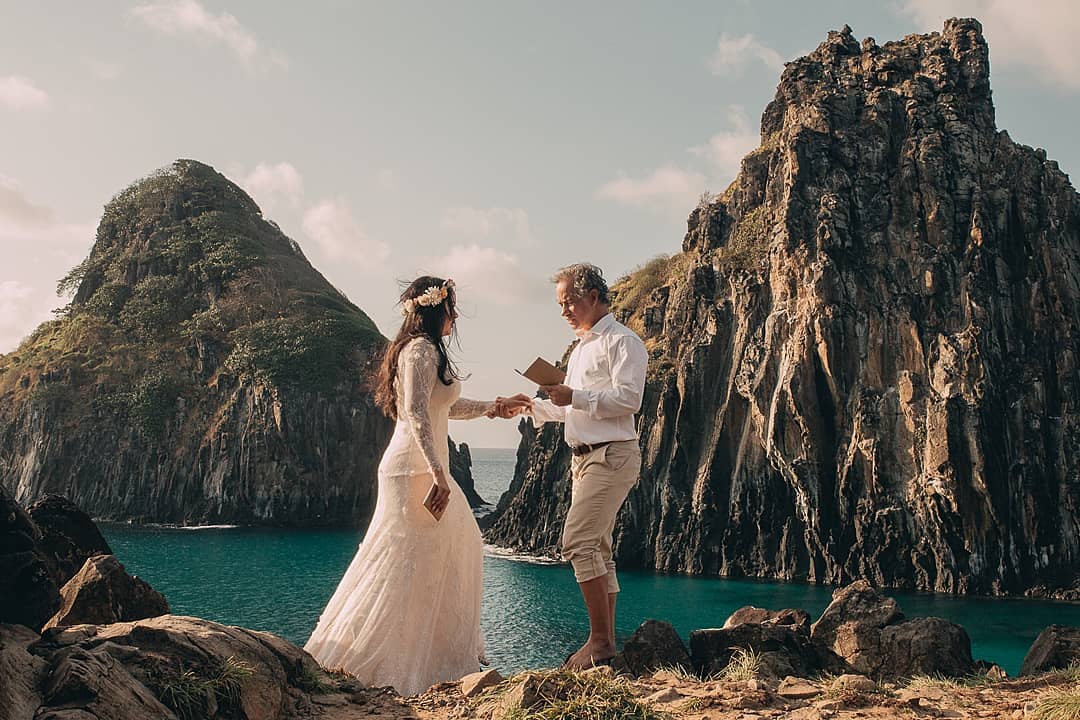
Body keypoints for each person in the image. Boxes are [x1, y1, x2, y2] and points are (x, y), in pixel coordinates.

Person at [304, 276, 527, 695]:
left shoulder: (424, 352)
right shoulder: (419, 351)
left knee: (440, 554)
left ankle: (431, 661)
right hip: (414, 471)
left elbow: (444, 406)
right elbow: (415, 412)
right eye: (452, 308)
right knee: (411, 561)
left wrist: (493, 408)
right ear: (435, 309)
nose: (455, 317)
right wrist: (439, 472)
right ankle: (400, 666)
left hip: (422, 467)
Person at [507, 262, 648, 670]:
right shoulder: (583, 346)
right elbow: (572, 408)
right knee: (599, 548)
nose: (565, 311)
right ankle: (605, 645)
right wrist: (529, 406)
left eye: (569, 302)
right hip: (584, 459)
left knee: (578, 542)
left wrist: (576, 397)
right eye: (560, 304)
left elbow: (628, 400)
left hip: (612, 454)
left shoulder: (623, 342)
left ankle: (600, 643)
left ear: (593, 297)